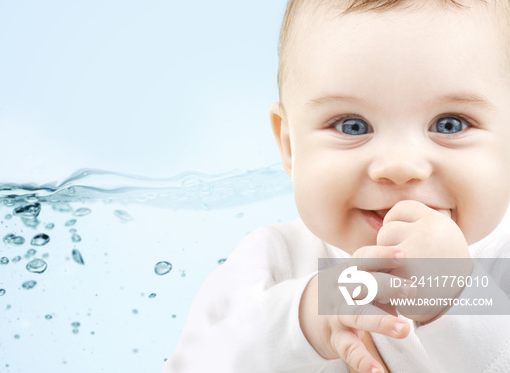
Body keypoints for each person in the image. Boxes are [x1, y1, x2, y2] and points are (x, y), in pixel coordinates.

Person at [163, 0, 510, 371]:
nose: (398, 167)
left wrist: (454, 296)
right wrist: (306, 318)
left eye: (450, 124)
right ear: (290, 146)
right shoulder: (276, 258)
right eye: (352, 126)